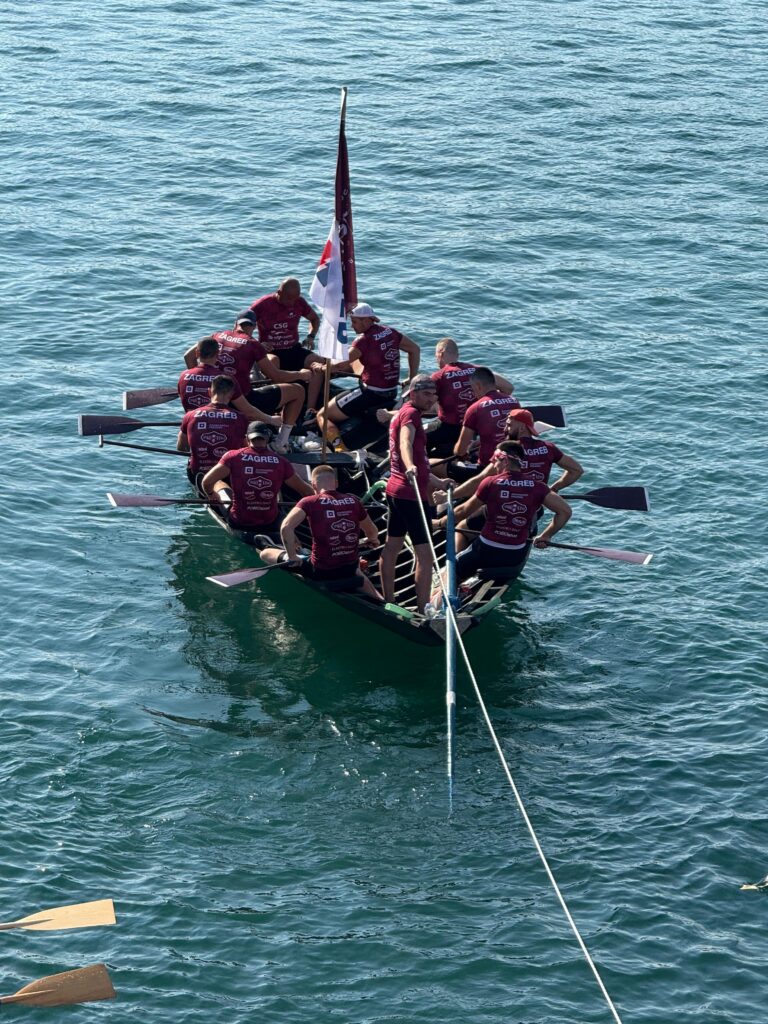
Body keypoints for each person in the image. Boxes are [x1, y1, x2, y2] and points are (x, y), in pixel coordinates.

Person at [434, 440, 572, 591]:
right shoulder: (539, 487)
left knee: (449, 571)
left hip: (486, 549)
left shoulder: (490, 482)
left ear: (505, 461)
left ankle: (443, 598)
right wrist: (546, 535)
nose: (493, 465)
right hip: (515, 556)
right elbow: (565, 512)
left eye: (495, 460)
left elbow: (463, 511)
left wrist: (439, 523)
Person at [183, 313, 321, 452]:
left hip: (215, 397)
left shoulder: (216, 336)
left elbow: (188, 356)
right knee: (297, 391)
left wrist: (204, 375)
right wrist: (301, 374)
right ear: (254, 327)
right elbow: (276, 375)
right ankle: (280, 443)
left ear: (236, 324)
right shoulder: (253, 344)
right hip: (243, 401)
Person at [380, 374, 449, 613]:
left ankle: (389, 600)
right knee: (426, 555)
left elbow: (420, 463)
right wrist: (410, 465)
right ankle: (423, 609)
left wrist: (438, 482)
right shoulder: (410, 415)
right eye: (427, 394)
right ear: (413, 393)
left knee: (392, 545)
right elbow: (405, 443)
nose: (432, 400)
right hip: (410, 495)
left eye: (434, 396)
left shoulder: (403, 413)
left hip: (395, 489)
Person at [260, 465, 382, 600]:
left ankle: (284, 553)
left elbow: (286, 527)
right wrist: (371, 540)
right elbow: (372, 531)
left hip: (321, 571)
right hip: (349, 568)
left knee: (265, 553)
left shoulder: (308, 502)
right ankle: (381, 601)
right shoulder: (354, 501)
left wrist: (292, 556)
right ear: (336, 483)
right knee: (354, 568)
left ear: (313, 485)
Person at [315, 302, 421, 451]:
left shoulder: (363, 341)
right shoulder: (390, 332)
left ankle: (340, 449)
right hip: (391, 391)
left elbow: (339, 365)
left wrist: (321, 367)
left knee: (322, 415)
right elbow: (415, 349)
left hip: (371, 393)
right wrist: (411, 378)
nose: (352, 326)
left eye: (354, 322)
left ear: (366, 321)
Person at [200, 421, 312, 543]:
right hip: (270, 522)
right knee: (276, 487)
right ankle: (292, 539)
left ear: (247, 438)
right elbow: (307, 492)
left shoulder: (232, 456)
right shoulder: (281, 461)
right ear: (267, 439)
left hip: (240, 522)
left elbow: (207, 482)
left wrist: (211, 494)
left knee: (218, 482)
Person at [428, 338, 514, 457]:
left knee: (418, 437)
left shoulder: (438, 376)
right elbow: (508, 388)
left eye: (435, 356)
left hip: (448, 428)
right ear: (457, 355)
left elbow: (425, 403)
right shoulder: (478, 371)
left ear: (440, 354)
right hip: (473, 429)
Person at [177, 336, 281, 429]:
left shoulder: (183, 376)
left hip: (191, 426)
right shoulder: (225, 379)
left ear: (197, 353)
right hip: (220, 427)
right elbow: (248, 411)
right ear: (218, 353)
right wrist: (271, 419)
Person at [177, 376, 249, 482]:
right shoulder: (241, 418)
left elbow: (181, 448)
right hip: (227, 475)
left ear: (209, 392)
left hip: (197, 473)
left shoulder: (190, 415)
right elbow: (246, 449)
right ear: (231, 395)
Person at [453, 366, 521, 468]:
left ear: (478, 386)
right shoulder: (514, 401)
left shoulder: (475, 408)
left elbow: (460, 451)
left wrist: (460, 452)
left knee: (439, 464)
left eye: (473, 389)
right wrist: (480, 442)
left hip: (488, 465)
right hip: (514, 462)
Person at [249, 277, 320, 373]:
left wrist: (311, 336)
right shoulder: (263, 304)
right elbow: (241, 328)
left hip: (293, 349)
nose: (292, 303)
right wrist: (257, 345)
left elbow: (315, 319)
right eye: (289, 299)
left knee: (320, 362)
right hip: (270, 351)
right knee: (273, 361)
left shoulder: (299, 302)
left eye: (295, 299)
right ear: (279, 292)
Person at [503, 408, 583, 491]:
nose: (505, 429)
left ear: (522, 428)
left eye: (509, 425)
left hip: (509, 497)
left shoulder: (506, 449)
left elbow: (493, 477)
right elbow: (577, 470)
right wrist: (552, 490)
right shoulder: (549, 448)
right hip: (537, 498)